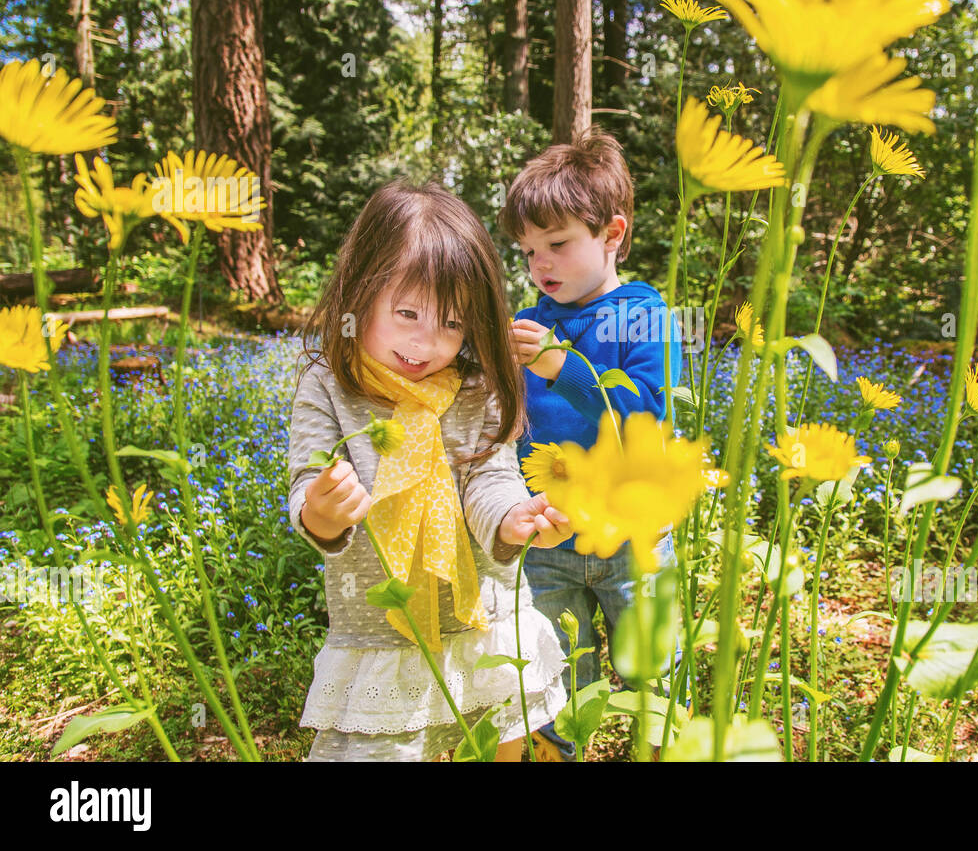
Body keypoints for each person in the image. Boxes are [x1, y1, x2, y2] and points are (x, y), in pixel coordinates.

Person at [288, 179, 570, 762]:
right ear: (358, 293)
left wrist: (513, 518)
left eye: (451, 323)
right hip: (381, 630)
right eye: (407, 313)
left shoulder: (475, 387)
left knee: (501, 739)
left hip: (485, 619)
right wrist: (320, 511)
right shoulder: (327, 387)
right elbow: (305, 490)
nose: (425, 343)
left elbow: (490, 479)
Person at [499, 127, 683, 761]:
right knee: (551, 679)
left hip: (633, 537)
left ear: (613, 233)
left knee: (650, 676)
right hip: (549, 538)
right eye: (526, 252)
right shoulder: (533, 323)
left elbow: (645, 414)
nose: (539, 264)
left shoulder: (644, 314)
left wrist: (563, 366)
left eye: (557, 244)